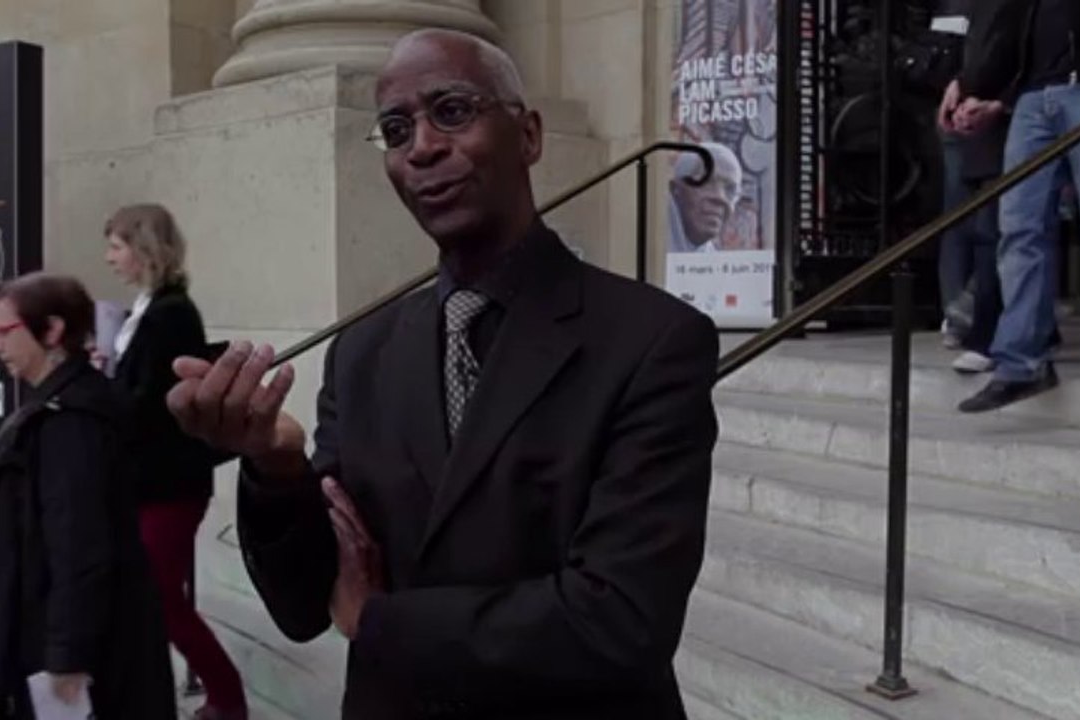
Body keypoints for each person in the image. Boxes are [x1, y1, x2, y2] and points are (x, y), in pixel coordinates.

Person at [167, 29, 719, 720]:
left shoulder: (652, 341)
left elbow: (619, 620)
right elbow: (305, 607)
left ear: (528, 135)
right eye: (395, 130)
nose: (421, 146)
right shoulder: (362, 353)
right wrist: (276, 470)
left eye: (451, 111)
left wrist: (381, 623)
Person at [0, 272, 174, 719]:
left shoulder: (72, 421)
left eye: (4, 332)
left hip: (72, 652)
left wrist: (66, 657)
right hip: (38, 627)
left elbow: (79, 544)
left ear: (53, 330)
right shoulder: (57, 404)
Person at [102, 204, 247, 720]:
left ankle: (227, 699)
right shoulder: (148, 308)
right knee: (146, 597)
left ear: (143, 248)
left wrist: (101, 388)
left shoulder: (171, 312)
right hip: (146, 481)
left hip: (169, 482)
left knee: (161, 599)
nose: (109, 258)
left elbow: (151, 402)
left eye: (117, 246)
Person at [954, 0, 1080, 413]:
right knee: (1018, 226)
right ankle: (1021, 362)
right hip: (1034, 98)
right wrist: (976, 89)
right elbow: (1010, 29)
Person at [933, 0, 1010, 373]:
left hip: (1001, 108)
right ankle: (962, 314)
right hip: (968, 107)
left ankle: (976, 317)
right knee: (970, 222)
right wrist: (960, 85)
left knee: (995, 226)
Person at [668, 141, 743, 253]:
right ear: (675, 189)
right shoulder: (643, 243)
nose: (720, 198)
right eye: (705, 181)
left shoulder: (712, 261)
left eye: (730, 190)